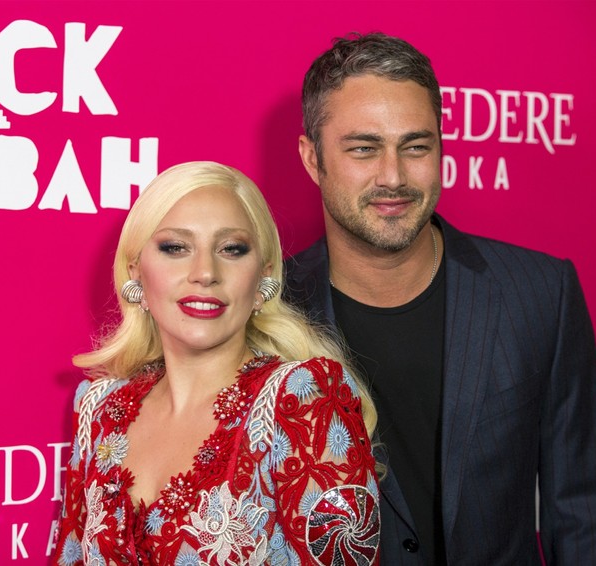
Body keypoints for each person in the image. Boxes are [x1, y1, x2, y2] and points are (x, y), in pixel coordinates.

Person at [284, 33, 596, 565]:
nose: (393, 176)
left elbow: (583, 510)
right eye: (364, 148)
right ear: (312, 158)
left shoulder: (539, 294)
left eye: (416, 146)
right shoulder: (270, 309)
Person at [53, 161, 380, 565]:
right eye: (176, 248)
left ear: (262, 279)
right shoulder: (99, 408)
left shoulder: (302, 400)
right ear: (136, 271)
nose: (205, 273)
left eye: (231, 249)